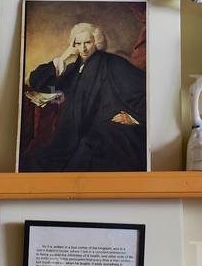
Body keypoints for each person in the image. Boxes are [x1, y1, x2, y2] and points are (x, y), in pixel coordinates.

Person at [20, 22, 146, 171]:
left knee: (83, 158)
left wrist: (133, 117)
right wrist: (64, 56)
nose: (83, 48)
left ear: (96, 42)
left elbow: (143, 88)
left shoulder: (113, 63)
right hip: (70, 132)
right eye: (78, 43)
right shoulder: (73, 68)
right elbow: (37, 82)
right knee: (36, 161)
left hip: (102, 130)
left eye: (87, 42)